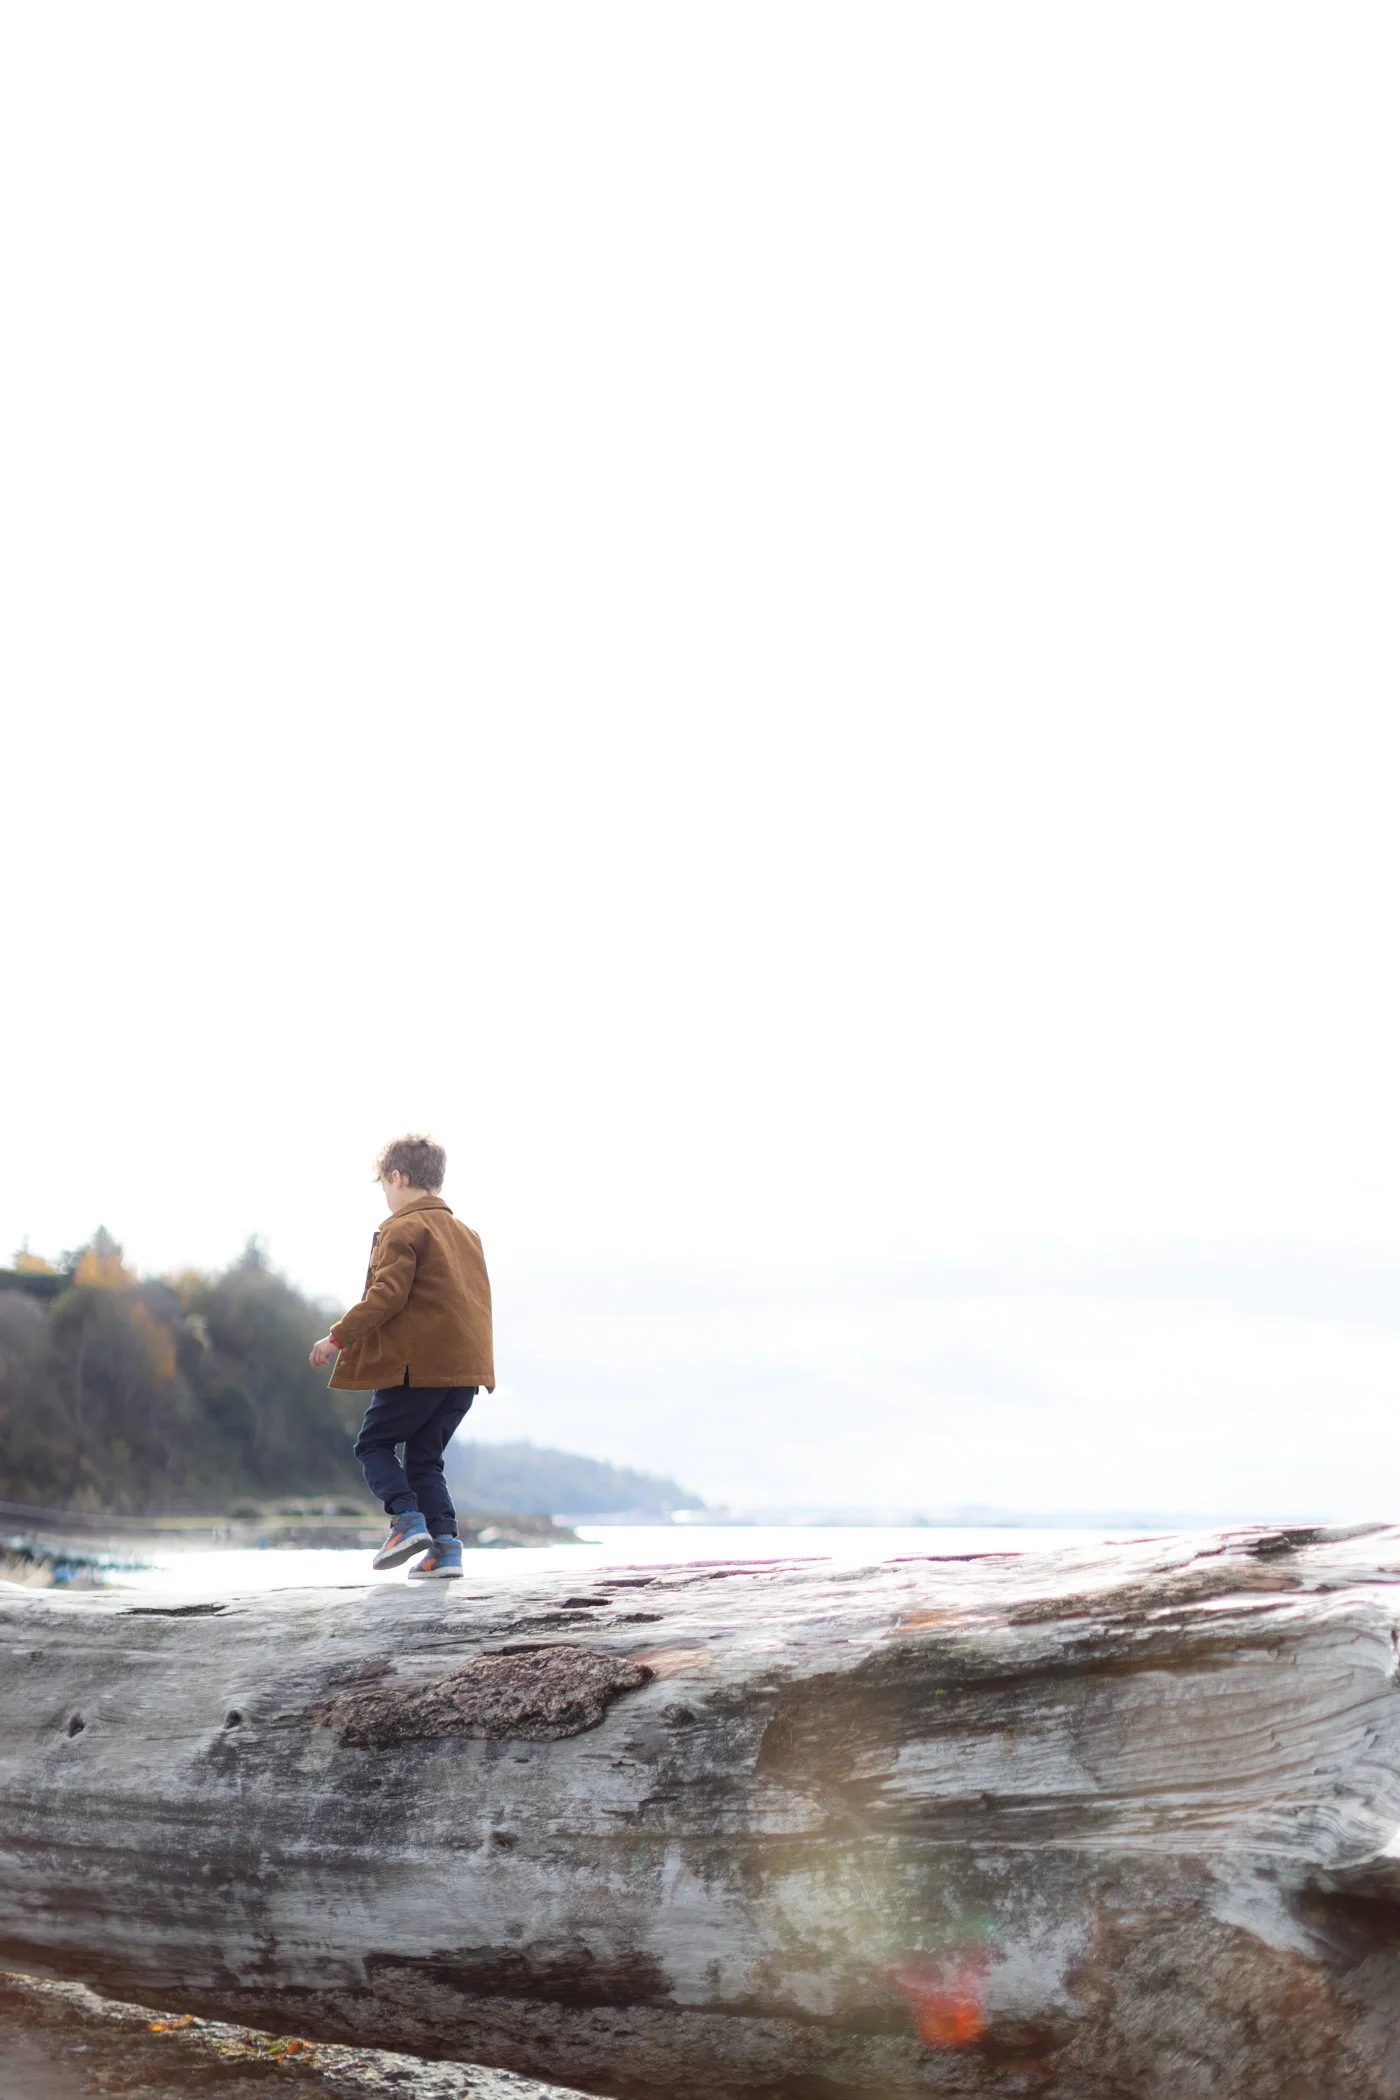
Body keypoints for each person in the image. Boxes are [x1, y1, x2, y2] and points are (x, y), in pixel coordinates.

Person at [309, 1134, 494, 1580]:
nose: (387, 1196)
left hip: (418, 1367)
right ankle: (446, 1549)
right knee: (425, 1459)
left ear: (399, 1177)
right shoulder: (467, 1235)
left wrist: (337, 1338)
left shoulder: (402, 1228)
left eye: (385, 1185)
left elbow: (386, 1296)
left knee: (373, 1444)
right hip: (464, 1372)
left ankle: (406, 1521)